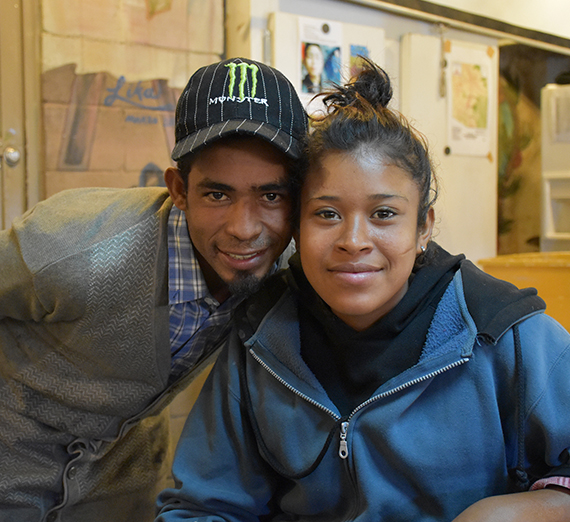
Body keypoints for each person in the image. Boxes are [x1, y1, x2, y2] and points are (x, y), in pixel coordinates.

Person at [155, 59, 570, 521]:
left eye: (384, 215)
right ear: (296, 223)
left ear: (423, 227)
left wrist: (507, 515)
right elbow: (203, 505)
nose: (353, 241)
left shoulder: (505, 332)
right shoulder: (260, 338)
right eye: (327, 214)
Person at [0, 57, 307, 522]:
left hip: (124, 480)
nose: (245, 230)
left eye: (271, 195)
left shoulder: (288, 273)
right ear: (179, 189)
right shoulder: (74, 248)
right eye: (217, 194)